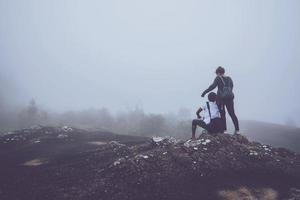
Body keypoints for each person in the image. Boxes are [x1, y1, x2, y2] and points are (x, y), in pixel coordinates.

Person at [201, 66, 240, 134]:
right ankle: (237, 130)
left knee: (222, 114)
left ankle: (224, 130)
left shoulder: (218, 78)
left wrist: (204, 92)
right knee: (232, 114)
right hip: (229, 99)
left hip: (221, 99)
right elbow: (231, 88)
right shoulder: (229, 78)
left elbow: (212, 86)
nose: (216, 74)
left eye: (216, 73)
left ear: (218, 72)